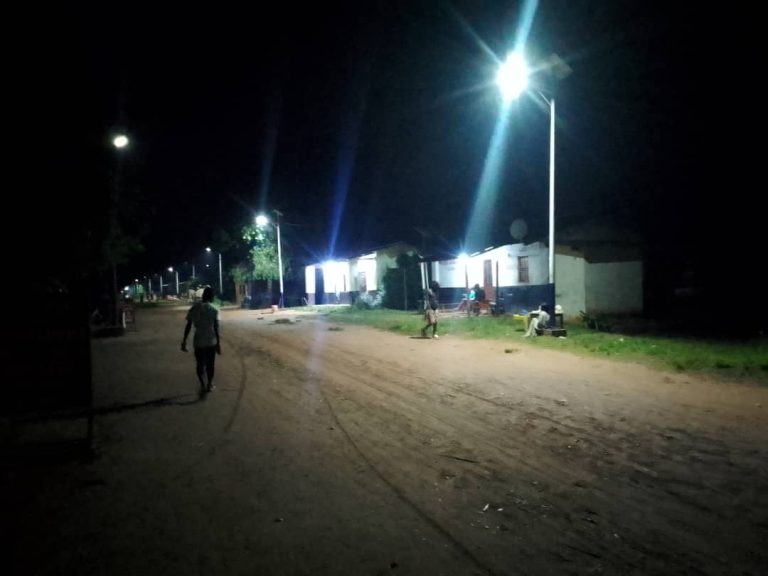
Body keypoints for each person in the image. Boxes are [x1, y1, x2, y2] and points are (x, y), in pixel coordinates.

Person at [181, 286, 221, 396]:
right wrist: (218, 344)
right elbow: (216, 328)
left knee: (200, 364)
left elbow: (188, 325)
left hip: (198, 340)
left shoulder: (194, 308)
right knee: (210, 365)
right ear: (211, 296)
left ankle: (203, 384)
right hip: (211, 341)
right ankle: (209, 384)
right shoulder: (214, 309)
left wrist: (184, 341)